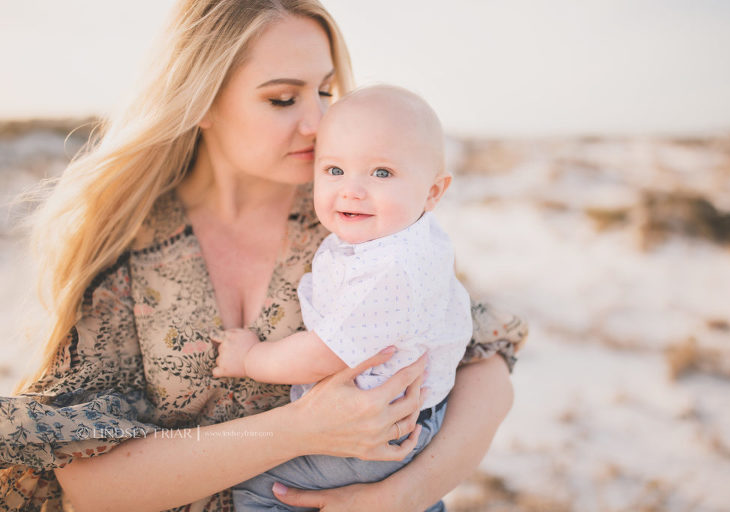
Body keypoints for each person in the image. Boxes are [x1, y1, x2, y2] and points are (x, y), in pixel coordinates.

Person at [0, 1, 527, 511]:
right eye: (282, 99)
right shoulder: (126, 241)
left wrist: (399, 498)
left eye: (324, 91)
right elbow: (94, 488)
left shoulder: (352, 218)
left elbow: (486, 363)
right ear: (201, 99)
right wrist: (296, 430)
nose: (317, 122)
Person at [212, 85, 472, 511]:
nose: (352, 190)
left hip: (377, 430)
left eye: (381, 173)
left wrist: (249, 359)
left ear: (432, 193)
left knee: (258, 490)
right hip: (411, 417)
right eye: (334, 170)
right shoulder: (408, 233)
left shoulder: (389, 270)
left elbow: (325, 353)